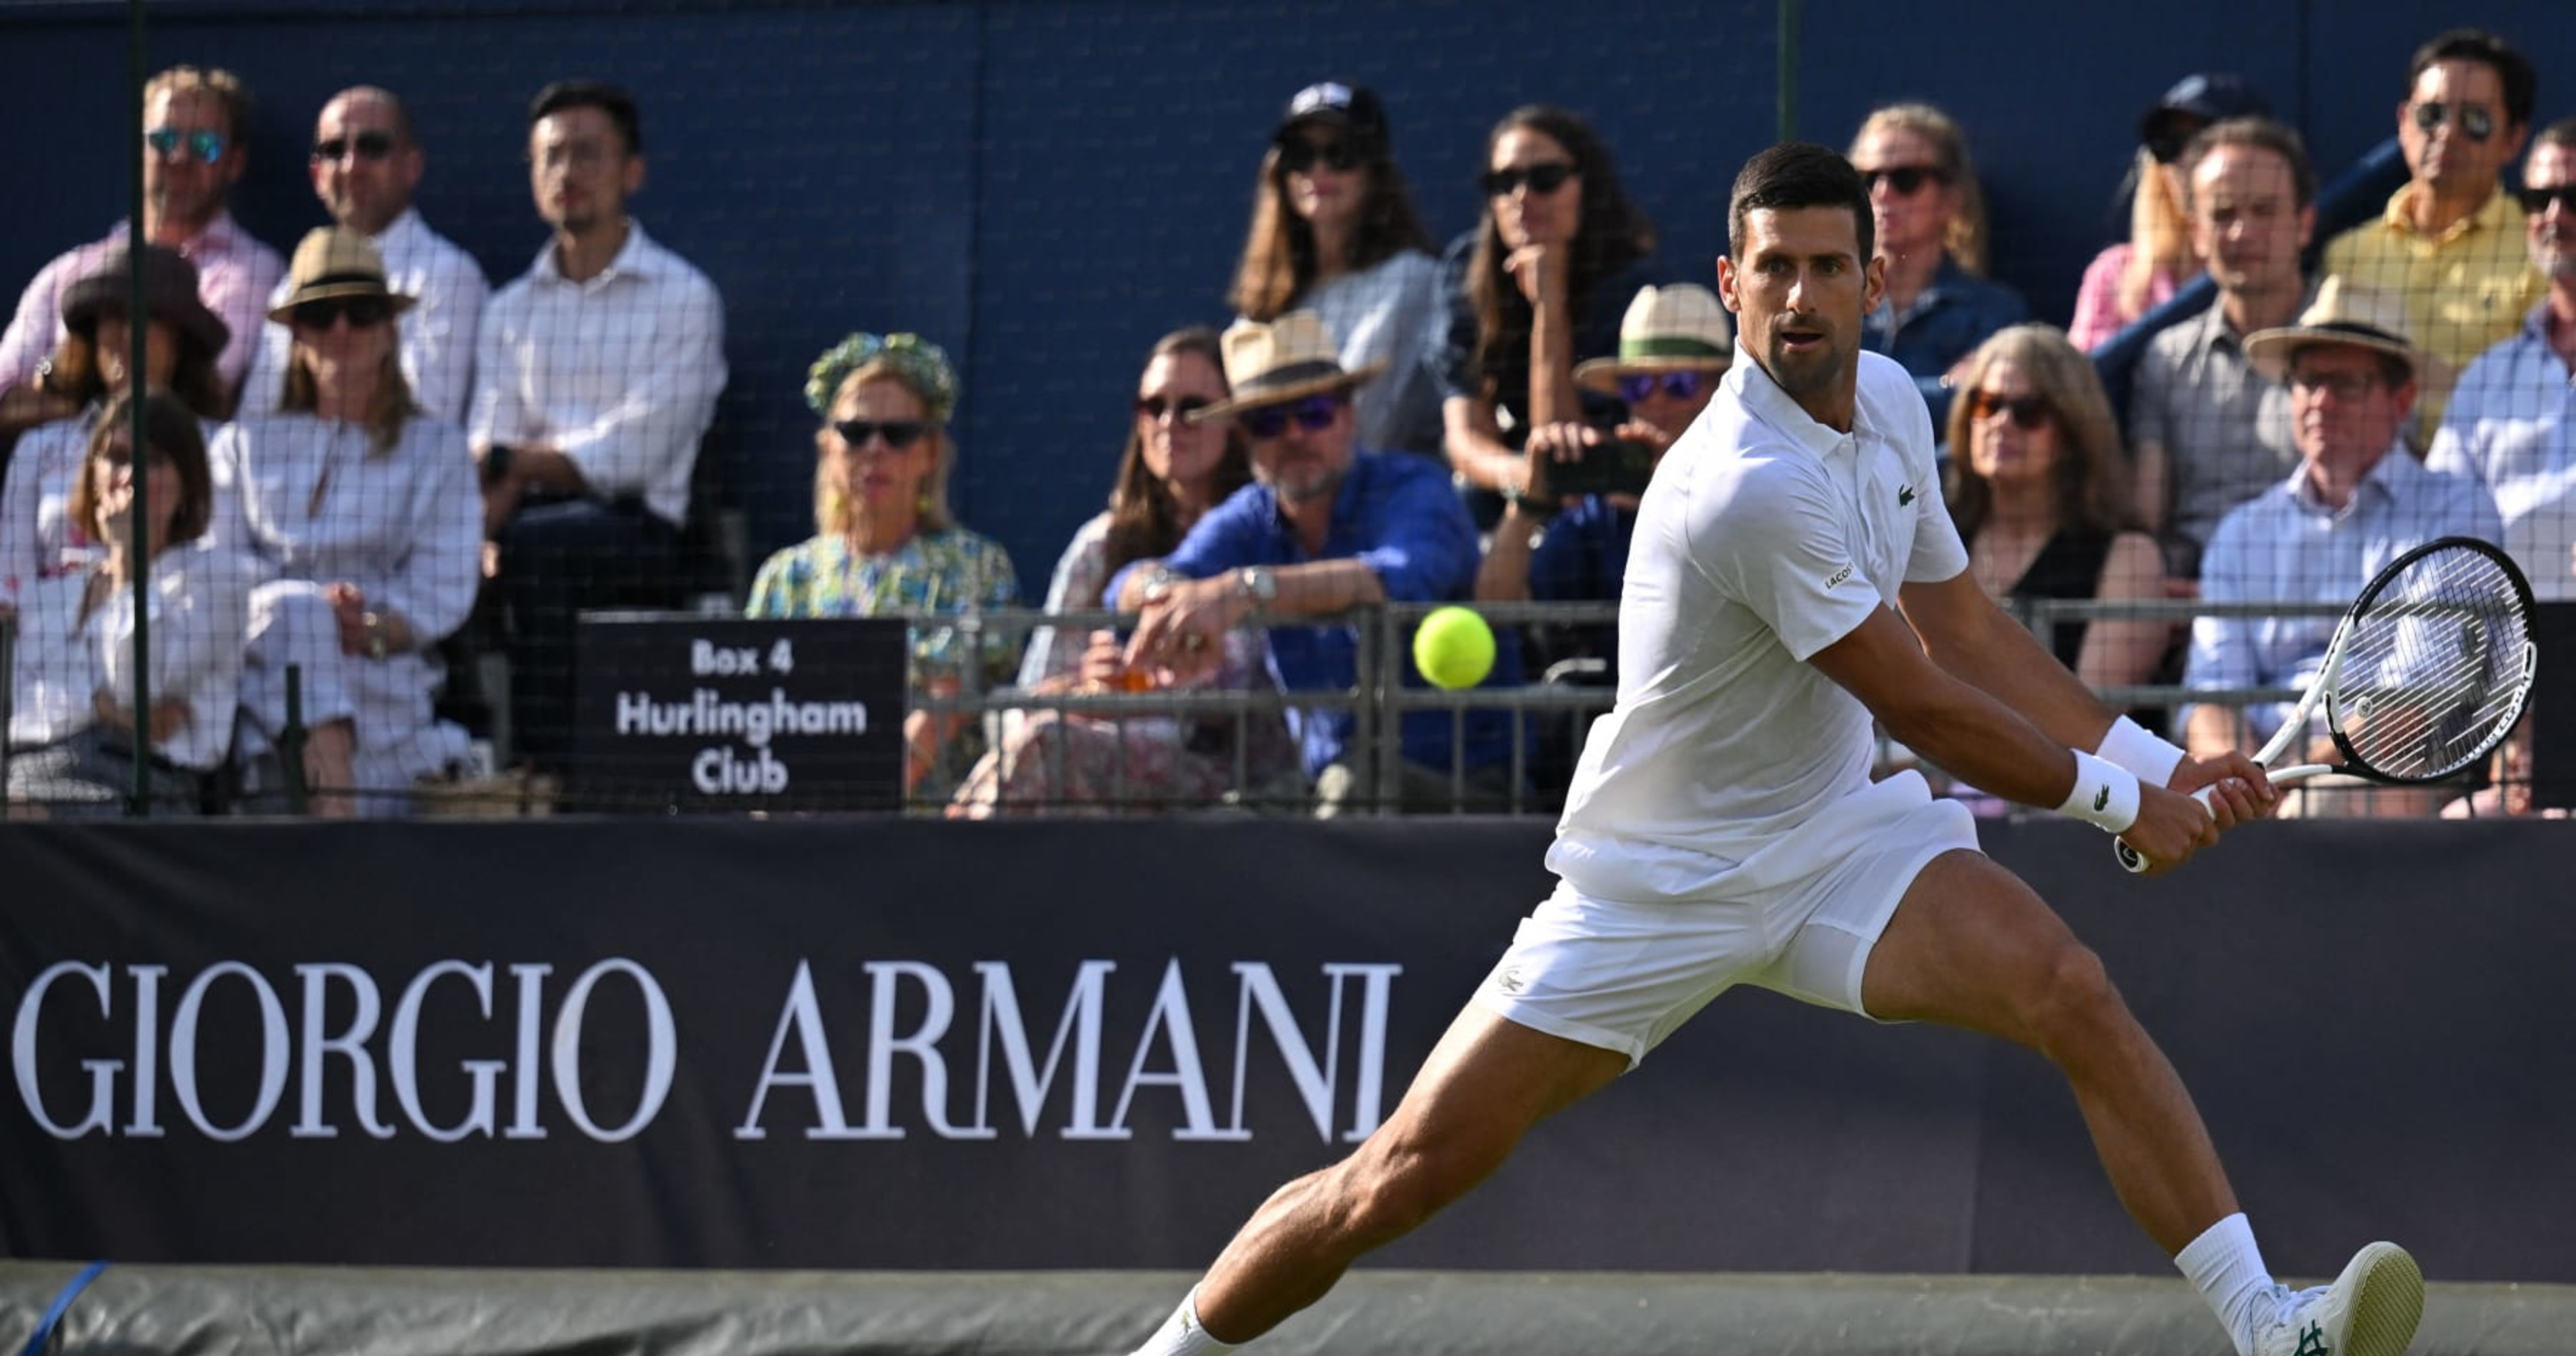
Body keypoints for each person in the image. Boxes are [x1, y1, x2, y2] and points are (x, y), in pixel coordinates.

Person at [1119, 144, 2427, 1356]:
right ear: (1733, 285)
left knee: (2070, 989)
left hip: (1836, 836)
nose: (1802, 297)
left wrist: (2155, 764)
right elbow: (1922, 701)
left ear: (1874, 284)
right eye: (1776, 270)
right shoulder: (1742, 481)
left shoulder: (1899, 407)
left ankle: (2269, 1324)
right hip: (1657, 882)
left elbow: (1962, 623)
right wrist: (2118, 802)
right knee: (1392, 1179)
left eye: (1828, 267)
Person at [1111, 311, 1522, 814]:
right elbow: (1129, 585)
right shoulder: (1251, 514)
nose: (1293, 436)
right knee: (1217, 838)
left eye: (1313, 412)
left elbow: (1401, 577)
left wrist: (1244, 590)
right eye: (1268, 421)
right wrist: (1169, 598)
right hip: (1330, 787)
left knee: (1349, 792)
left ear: (1349, 416)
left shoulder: (1414, 488)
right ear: (1246, 439)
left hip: (1471, 788)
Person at [471, 79, 727, 774]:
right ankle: (472, 787)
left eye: (587, 154)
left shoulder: (684, 297)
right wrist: (474, 543)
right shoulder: (507, 311)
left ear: (631, 172)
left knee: (538, 549)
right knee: (470, 564)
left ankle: (552, 780)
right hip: (528, 530)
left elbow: (637, 453)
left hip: (645, 533)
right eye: (550, 157)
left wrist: (513, 466)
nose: (566, 173)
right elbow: (486, 451)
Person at [2185, 278, 2504, 818]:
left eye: (2347, 385)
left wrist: (2289, 785)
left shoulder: (2455, 513)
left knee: (2316, 811)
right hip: (2260, 780)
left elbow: (2413, 702)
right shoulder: (2242, 531)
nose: (2321, 402)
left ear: (2401, 400)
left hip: (2393, 771)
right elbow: (2212, 697)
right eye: (2309, 381)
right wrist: (2242, 781)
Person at [953, 327, 1299, 816]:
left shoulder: (1265, 534)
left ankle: (939, 874)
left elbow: (1260, 703)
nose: (1170, 423)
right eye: (1152, 407)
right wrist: (1090, 689)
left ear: (1235, 422)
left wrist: (1153, 686)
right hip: (1093, 763)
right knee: (1040, 744)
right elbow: (1030, 695)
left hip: (1224, 776)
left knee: (1047, 747)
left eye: (1192, 407)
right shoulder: (1102, 544)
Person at [218, 228, 481, 816]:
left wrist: (371, 624)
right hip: (258, 670)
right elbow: (217, 565)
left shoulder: (437, 449)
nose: (340, 332)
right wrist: (313, 607)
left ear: (389, 329)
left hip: (379, 670)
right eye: (320, 314)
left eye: (360, 313)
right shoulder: (241, 447)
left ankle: (327, 826)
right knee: (297, 614)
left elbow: (443, 588)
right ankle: (336, 831)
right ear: (295, 334)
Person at [745, 332, 1018, 802]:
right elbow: (755, 709)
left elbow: (943, 708)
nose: (875, 449)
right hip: (795, 824)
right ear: (827, 447)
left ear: (931, 453)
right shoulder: (785, 578)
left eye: (897, 434)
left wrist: (858, 802)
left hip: (927, 833)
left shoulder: (974, 566)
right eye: (855, 432)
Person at [5, 390, 255, 816]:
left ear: (187, 483)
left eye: (152, 461)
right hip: (29, 780)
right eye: (117, 457)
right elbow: (26, 717)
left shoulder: (218, 579)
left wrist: (128, 562)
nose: (129, 476)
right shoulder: (53, 592)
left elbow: (139, 686)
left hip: (142, 790)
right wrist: (103, 709)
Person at [0, 66, 285, 412]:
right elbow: (4, 391)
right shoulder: (69, 270)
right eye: (163, 140)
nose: (179, 157)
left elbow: (200, 389)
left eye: (204, 145)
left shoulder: (256, 269)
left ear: (235, 162)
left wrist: (64, 393)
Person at [1477, 283, 1733, 664]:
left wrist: (1664, 496)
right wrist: (1531, 501)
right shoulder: (1600, 506)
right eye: (1638, 385)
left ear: (1721, 392)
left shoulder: (1750, 481)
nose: (1656, 401)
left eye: (1680, 384)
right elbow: (1493, 609)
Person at [1434, 105, 1656, 523]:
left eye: (1545, 179)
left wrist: (1549, 303)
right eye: (1504, 182)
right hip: (1511, 490)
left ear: (1586, 186)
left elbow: (1566, 448)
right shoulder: (1465, 272)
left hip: (1605, 498)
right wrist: (1527, 480)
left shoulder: (1633, 290)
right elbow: (1466, 440)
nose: (1522, 196)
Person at [2321, 27, 2544, 435]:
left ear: (2513, 141)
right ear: (2404, 123)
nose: (2447, 133)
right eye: (2432, 115)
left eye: (2475, 120)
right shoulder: (2345, 256)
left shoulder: (2540, 255)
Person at [2128, 117, 2316, 585]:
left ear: (2305, 224)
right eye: (2223, 213)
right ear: (2195, 232)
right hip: (2188, 599)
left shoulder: (2356, 346)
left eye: (2265, 210)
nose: (2241, 232)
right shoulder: (2165, 359)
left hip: (2320, 592)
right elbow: (2146, 522)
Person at [1945, 324, 2167, 713]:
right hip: (1930, 770)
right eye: (1987, 405)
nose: (2002, 423)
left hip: (2063, 772)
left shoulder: (2128, 556)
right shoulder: (1934, 538)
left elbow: (2090, 718)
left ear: (2072, 430)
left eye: (2028, 412)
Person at [1, 247, 236, 603]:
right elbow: (9, 584)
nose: (127, 334)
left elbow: (220, 566)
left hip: (172, 641)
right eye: (112, 315)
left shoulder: (221, 447)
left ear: (180, 341)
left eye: (147, 317)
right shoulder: (38, 448)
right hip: (54, 646)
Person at [239, 87, 489, 422]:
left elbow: (429, 417)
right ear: (316, 175)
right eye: (334, 149)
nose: (352, 165)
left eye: (373, 147)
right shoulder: (290, 288)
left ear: (412, 166)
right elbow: (258, 419)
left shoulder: (451, 276)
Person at [1229, 81, 1445, 458]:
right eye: (1300, 155)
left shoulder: (1411, 278)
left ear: (1375, 171)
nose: (1319, 169)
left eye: (1340, 153)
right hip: (1281, 502)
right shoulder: (1265, 299)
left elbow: (1367, 429)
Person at [2428, 117, 2576, 601]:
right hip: (2507, 638)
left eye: (2574, 200)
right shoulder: (2488, 376)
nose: (2555, 216)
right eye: (2539, 199)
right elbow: (2442, 523)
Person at [1847, 103, 2028, 426]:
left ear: (1950, 198)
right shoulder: (1828, 299)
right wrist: (1944, 387)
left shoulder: (1995, 311)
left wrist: (1846, 393)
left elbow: (1976, 412)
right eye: (1867, 178)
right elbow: (1801, 400)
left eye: (1906, 179)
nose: (1883, 193)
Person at [2068, 74, 2268, 352]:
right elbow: (2077, 389)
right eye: (2171, 143)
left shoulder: (2282, 276)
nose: (2185, 159)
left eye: (2204, 142)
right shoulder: (2113, 275)